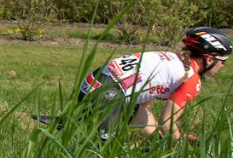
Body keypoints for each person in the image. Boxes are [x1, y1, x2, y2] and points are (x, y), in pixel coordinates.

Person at [77, 27, 231, 141]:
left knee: (152, 133)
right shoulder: (192, 80)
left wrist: (164, 137)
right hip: (107, 95)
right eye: (223, 62)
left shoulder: (173, 60)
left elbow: (146, 107)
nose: (222, 66)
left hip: (95, 85)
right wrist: (180, 145)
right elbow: (167, 124)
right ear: (210, 59)